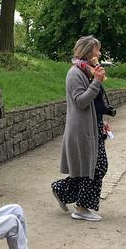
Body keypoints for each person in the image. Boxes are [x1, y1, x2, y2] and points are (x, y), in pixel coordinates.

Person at [51, 35, 110, 222]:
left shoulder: (88, 71)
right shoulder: (74, 73)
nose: (99, 53)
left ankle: (62, 190)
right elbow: (81, 101)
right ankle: (81, 208)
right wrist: (97, 81)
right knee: (95, 166)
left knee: (94, 166)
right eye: (96, 50)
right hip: (82, 129)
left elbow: (95, 102)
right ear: (87, 51)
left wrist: (102, 120)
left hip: (94, 125)